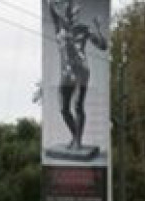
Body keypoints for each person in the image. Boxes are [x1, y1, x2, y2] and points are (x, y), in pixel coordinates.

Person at [48, 0, 107, 152]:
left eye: (75, 13)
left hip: (81, 71)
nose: (72, 15)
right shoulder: (59, 29)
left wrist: (98, 29)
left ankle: (77, 142)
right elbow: (52, 9)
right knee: (63, 109)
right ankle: (76, 137)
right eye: (69, 12)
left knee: (78, 106)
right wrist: (52, 3)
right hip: (66, 73)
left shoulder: (83, 29)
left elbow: (103, 46)